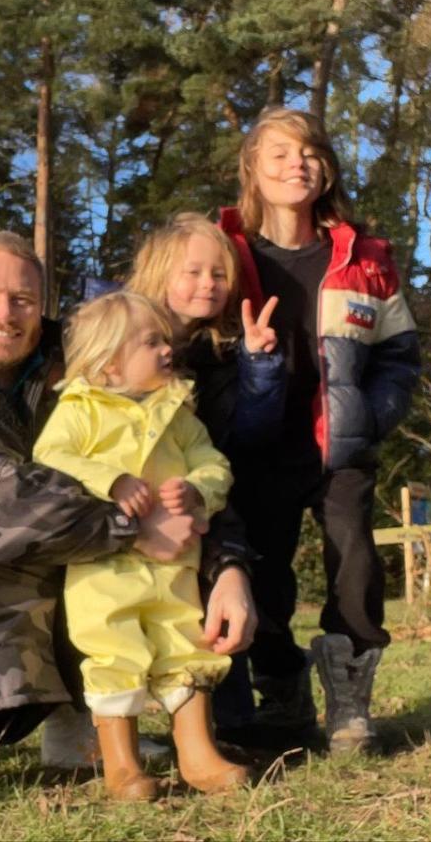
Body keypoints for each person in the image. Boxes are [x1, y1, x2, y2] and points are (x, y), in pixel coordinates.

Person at [0, 231, 254, 803]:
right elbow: (0, 505)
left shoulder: (92, 362)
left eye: (22, 300)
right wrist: (132, 524)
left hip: (108, 559)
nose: (4, 314)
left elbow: (200, 462)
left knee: (158, 631)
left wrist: (226, 558)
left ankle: (81, 729)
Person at [216, 106, 420, 753]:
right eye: (279, 154)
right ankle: (282, 690)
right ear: (253, 168)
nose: (295, 165)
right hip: (256, 444)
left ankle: (352, 706)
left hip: (341, 445)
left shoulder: (364, 256)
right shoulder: (225, 251)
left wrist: (370, 416)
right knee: (264, 575)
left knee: (355, 567)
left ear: (325, 169)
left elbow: (400, 356)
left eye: (307, 154)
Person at [32, 290, 250, 800]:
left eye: (165, 340)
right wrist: (111, 481)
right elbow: (51, 457)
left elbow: (215, 463)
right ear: (109, 365)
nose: (167, 350)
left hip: (176, 564)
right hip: (105, 568)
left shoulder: (178, 411)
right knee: (113, 652)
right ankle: (122, 768)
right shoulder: (79, 408)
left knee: (186, 645)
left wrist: (199, 489)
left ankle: (198, 755)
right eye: (151, 342)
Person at [126, 212, 293, 747]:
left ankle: (230, 723)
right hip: (126, 494)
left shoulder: (222, 354)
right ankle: (107, 725)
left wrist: (259, 367)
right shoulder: (115, 338)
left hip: (205, 494)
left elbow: (249, 435)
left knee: (213, 591)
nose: (208, 285)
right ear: (157, 273)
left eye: (219, 275)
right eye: (193, 272)